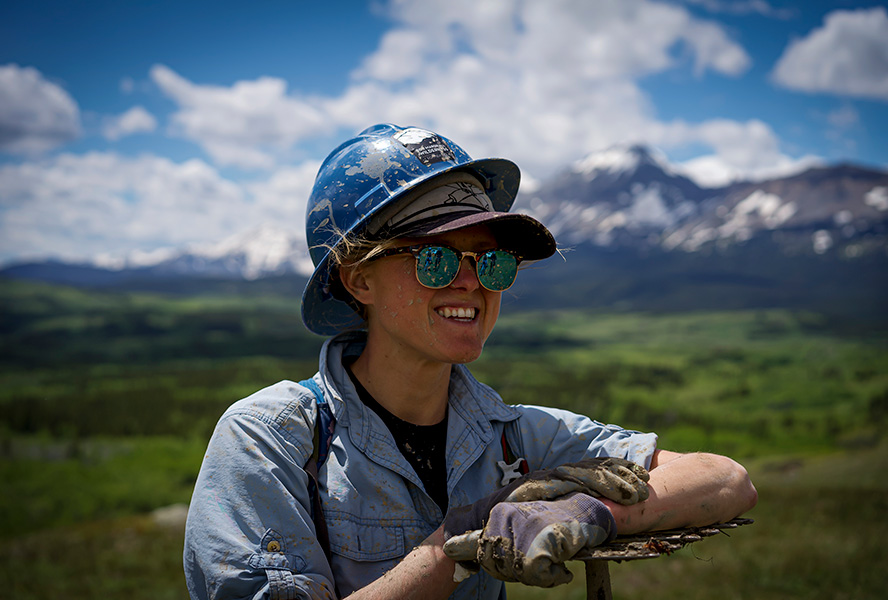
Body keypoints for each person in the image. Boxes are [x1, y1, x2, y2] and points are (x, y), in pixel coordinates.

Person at [183, 124, 757, 599]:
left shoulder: (513, 440)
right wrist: (461, 543)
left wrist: (589, 512)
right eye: (434, 258)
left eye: (491, 262)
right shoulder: (272, 440)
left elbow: (727, 480)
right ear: (358, 279)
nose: (470, 283)